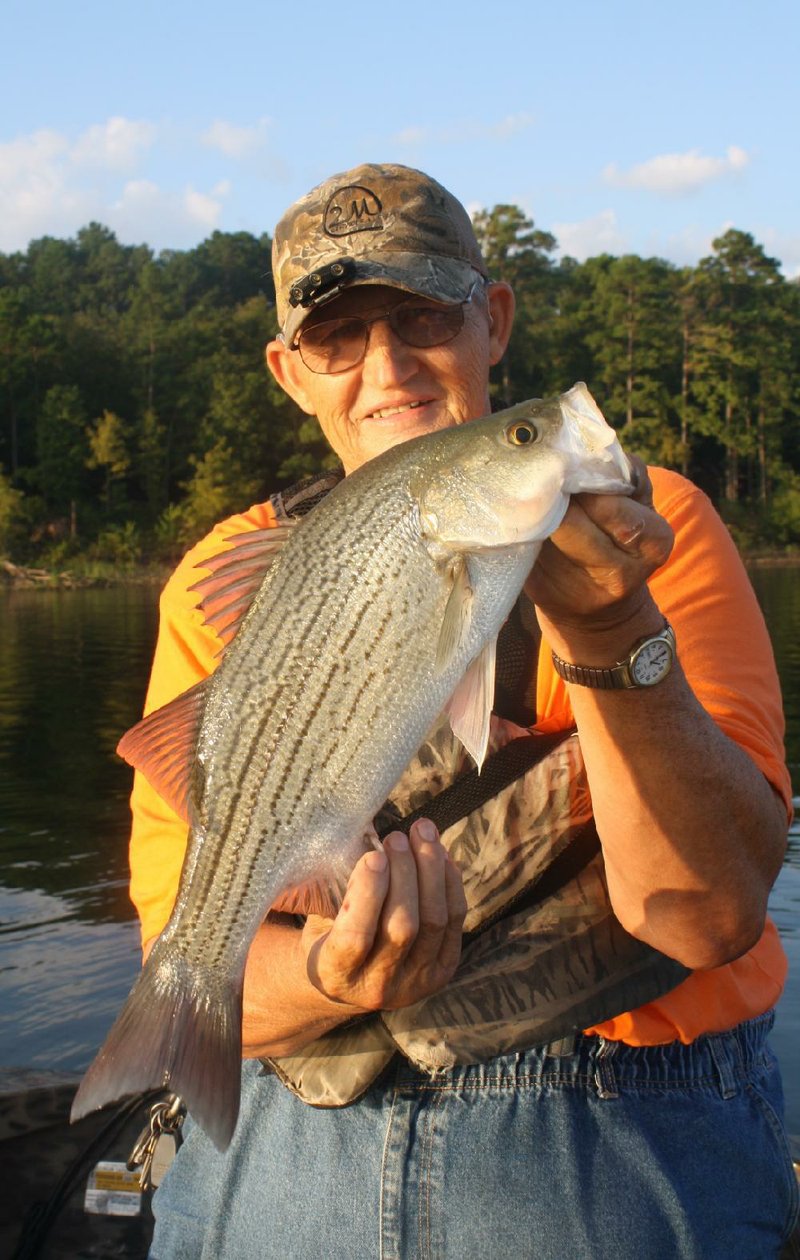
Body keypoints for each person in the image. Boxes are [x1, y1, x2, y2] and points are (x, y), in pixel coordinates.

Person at [130, 163, 797, 1258]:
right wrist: (331, 975)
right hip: (296, 1134)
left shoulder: (645, 524)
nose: (385, 367)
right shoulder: (222, 582)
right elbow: (200, 974)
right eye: (338, 337)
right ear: (290, 373)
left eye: (423, 315)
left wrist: (607, 631)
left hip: (618, 1132)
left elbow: (709, 917)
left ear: (490, 321)